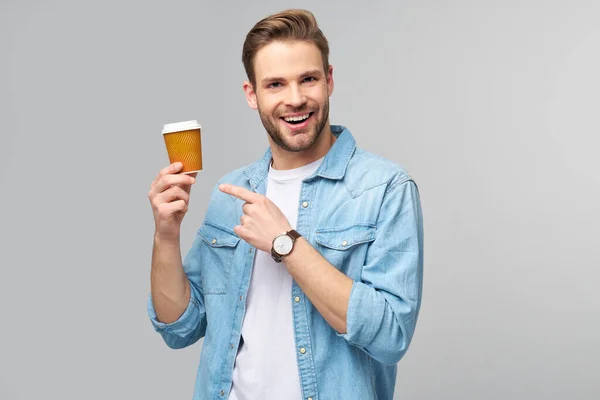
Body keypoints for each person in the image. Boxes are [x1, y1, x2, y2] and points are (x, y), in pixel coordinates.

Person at [147, 9, 424, 400]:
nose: (295, 99)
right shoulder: (231, 192)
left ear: (329, 80)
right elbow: (180, 326)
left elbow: (391, 334)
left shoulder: (384, 188)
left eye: (308, 79)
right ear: (252, 94)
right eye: (275, 84)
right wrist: (166, 233)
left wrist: (286, 243)